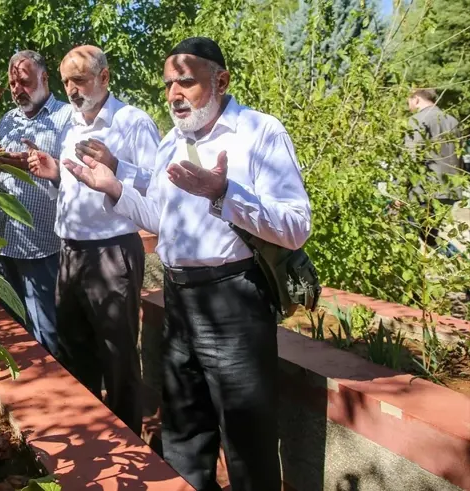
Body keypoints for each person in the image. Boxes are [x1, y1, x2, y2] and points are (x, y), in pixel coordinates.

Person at [61, 37, 311, 491]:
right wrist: (113, 188)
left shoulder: (259, 132)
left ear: (221, 80)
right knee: (182, 437)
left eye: (186, 82)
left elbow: (296, 225)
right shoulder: (171, 142)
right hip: (179, 304)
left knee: (247, 443)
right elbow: (160, 218)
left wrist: (224, 194)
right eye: (169, 84)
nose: (174, 94)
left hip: (234, 301)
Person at [26, 45, 160, 435]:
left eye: (80, 79)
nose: (72, 89)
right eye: (66, 81)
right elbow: (75, 189)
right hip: (69, 252)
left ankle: (127, 443)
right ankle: (88, 439)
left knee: (117, 359)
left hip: (111, 253)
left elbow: (159, 189)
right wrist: (54, 174)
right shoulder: (69, 124)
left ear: (104, 77)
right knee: (73, 352)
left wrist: (118, 165)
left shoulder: (133, 122)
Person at [0, 50, 72, 356]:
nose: (16, 89)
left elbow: (78, 179)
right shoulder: (7, 121)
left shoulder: (66, 119)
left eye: (23, 81)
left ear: (44, 78)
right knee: (14, 335)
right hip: (4, 244)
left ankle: (61, 400)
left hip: (44, 247)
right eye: (12, 83)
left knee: (48, 335)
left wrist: (40, 166)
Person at [405, 88, 464, 252]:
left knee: (409, 232)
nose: (408, 105)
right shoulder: (452, 121)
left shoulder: (417, 120)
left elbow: (411, 158)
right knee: (431, 235)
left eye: (408, 101)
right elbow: (459, 157)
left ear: (416, 99)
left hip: (425, 190)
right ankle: (457, 260)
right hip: (450, 189)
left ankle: (458, 261)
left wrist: (400, 187)